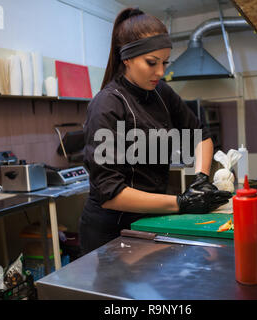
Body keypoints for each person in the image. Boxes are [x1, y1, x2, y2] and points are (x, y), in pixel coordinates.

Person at [79, 8, 231, 255]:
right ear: (126, 58)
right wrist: (181, 203)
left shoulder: (162, 93)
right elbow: (111, 194)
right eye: (152, 62)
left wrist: (201, 178)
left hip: (152, 220)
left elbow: (201, 135)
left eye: (164, 62)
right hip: (109, 233)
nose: (160, 72)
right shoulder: (107, 105)